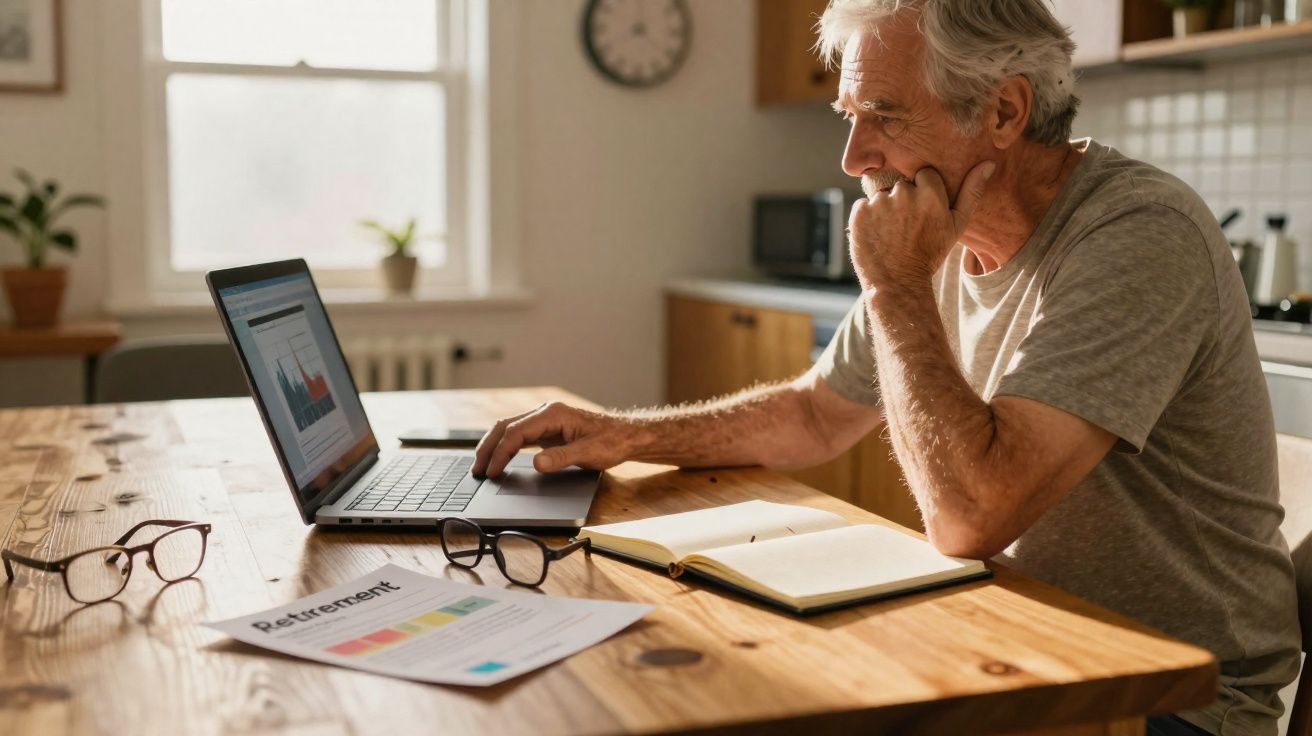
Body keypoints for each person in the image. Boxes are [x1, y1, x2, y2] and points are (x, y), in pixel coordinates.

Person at [472, 1, 1299, 733]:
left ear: (1005, 111)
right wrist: (625, 433)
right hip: (1018, 636)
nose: (853, 155)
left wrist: (897, 285)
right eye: (847, 113)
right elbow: (814, 414)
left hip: (1173, 698)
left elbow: (970, 517)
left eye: (884, 114)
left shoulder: (1137, 234)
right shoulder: (939, 223)